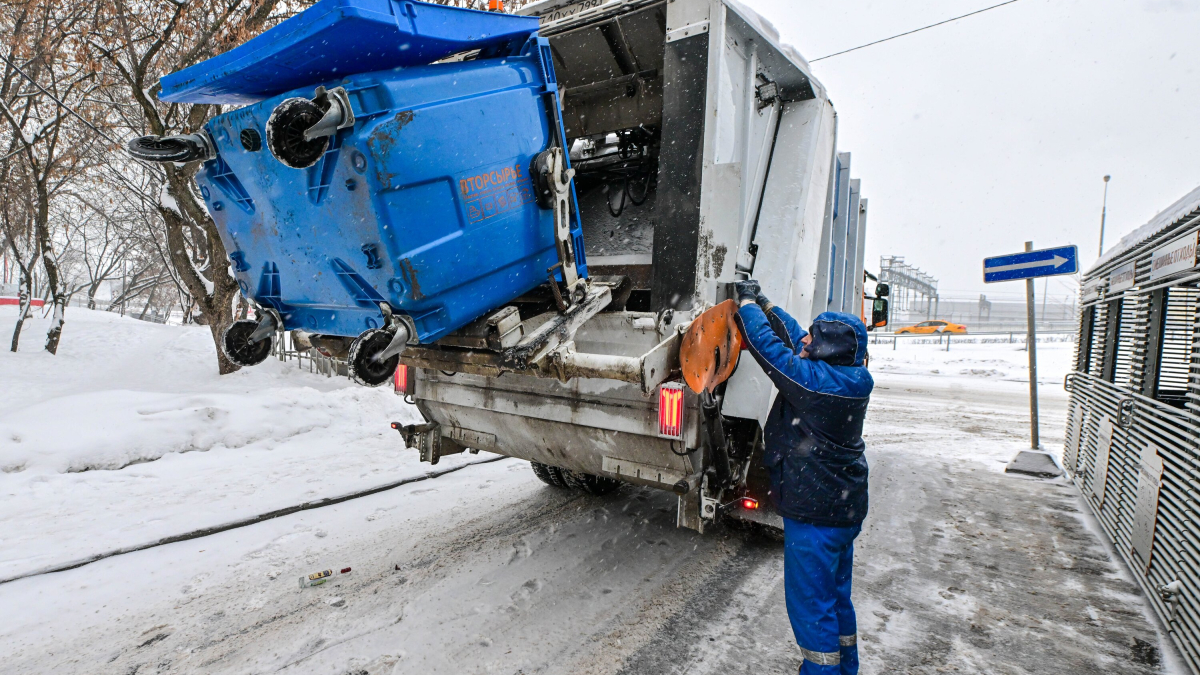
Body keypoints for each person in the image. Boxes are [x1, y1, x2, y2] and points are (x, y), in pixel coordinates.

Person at [733, 280, 873, 675]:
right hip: (839, 510)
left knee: (811, 607)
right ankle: (846, 668)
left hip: (815, 516)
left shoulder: (816, 383)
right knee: (834, 598)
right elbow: (795, 335)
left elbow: (768, 348)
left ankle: (823, 670)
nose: (807, 339)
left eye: (816, 337)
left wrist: (747, 306)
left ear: (828, 349)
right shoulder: (848, 375)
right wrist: (766, 302)